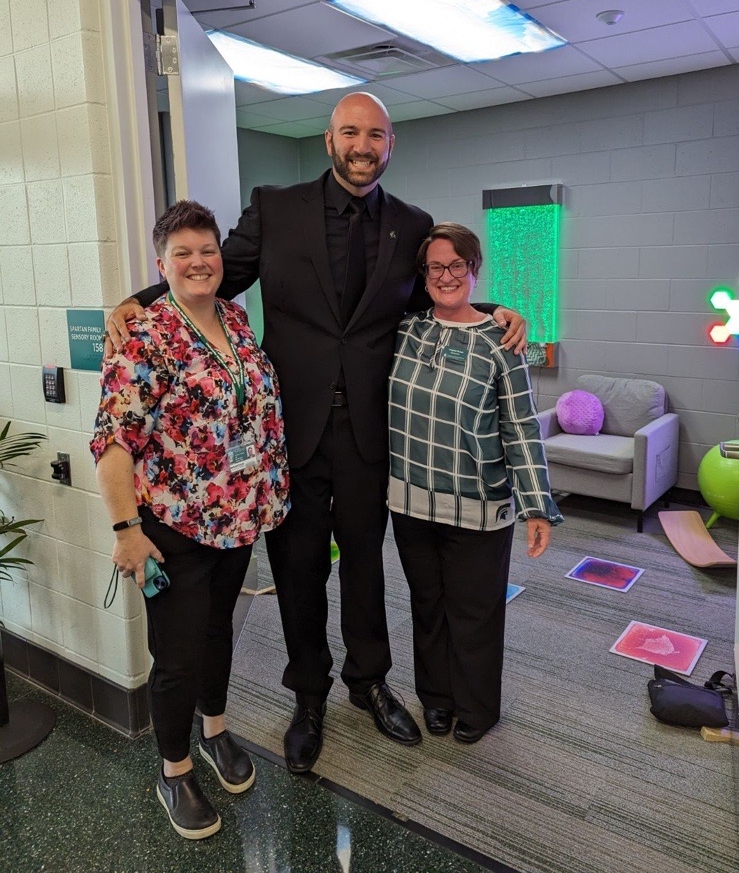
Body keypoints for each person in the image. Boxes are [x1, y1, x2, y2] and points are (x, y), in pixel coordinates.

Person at [105, 92, 526, 775]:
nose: (363, 145)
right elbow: (213, 276)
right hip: (285, 441)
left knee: (364, 567)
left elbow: (436, 298)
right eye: (350, 132)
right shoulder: (275, 207)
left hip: (368, 434)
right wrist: (137, 299)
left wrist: (501, 310)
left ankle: (368, 682)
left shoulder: (410, 224)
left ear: (390, 145)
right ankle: (308, 697)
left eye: (377, 135)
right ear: (330, 140)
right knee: (299, 574)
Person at [91, 200, 289, 839]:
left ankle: (215, 730)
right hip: (171, 528)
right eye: (183, 253)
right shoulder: (142, 335)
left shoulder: (236, 318)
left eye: (207, 250)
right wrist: (127, 529)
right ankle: (174, 769)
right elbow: (113, 441)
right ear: (162, 265)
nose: (199, 261)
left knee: (217, 634)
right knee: (175, 655)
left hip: (235, 519)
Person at [388, 222, 562, 743]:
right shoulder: (406, 329)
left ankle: (477, 708)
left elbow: (522, 426)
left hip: (479, 506)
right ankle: (436, 700)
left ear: (473, 269)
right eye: (435, 267)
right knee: (427, 606)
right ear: (423, 276)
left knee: (475, 613)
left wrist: (537, 506)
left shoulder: (502, 341)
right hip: (411, 501)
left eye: (456, 265)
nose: (446, 276)